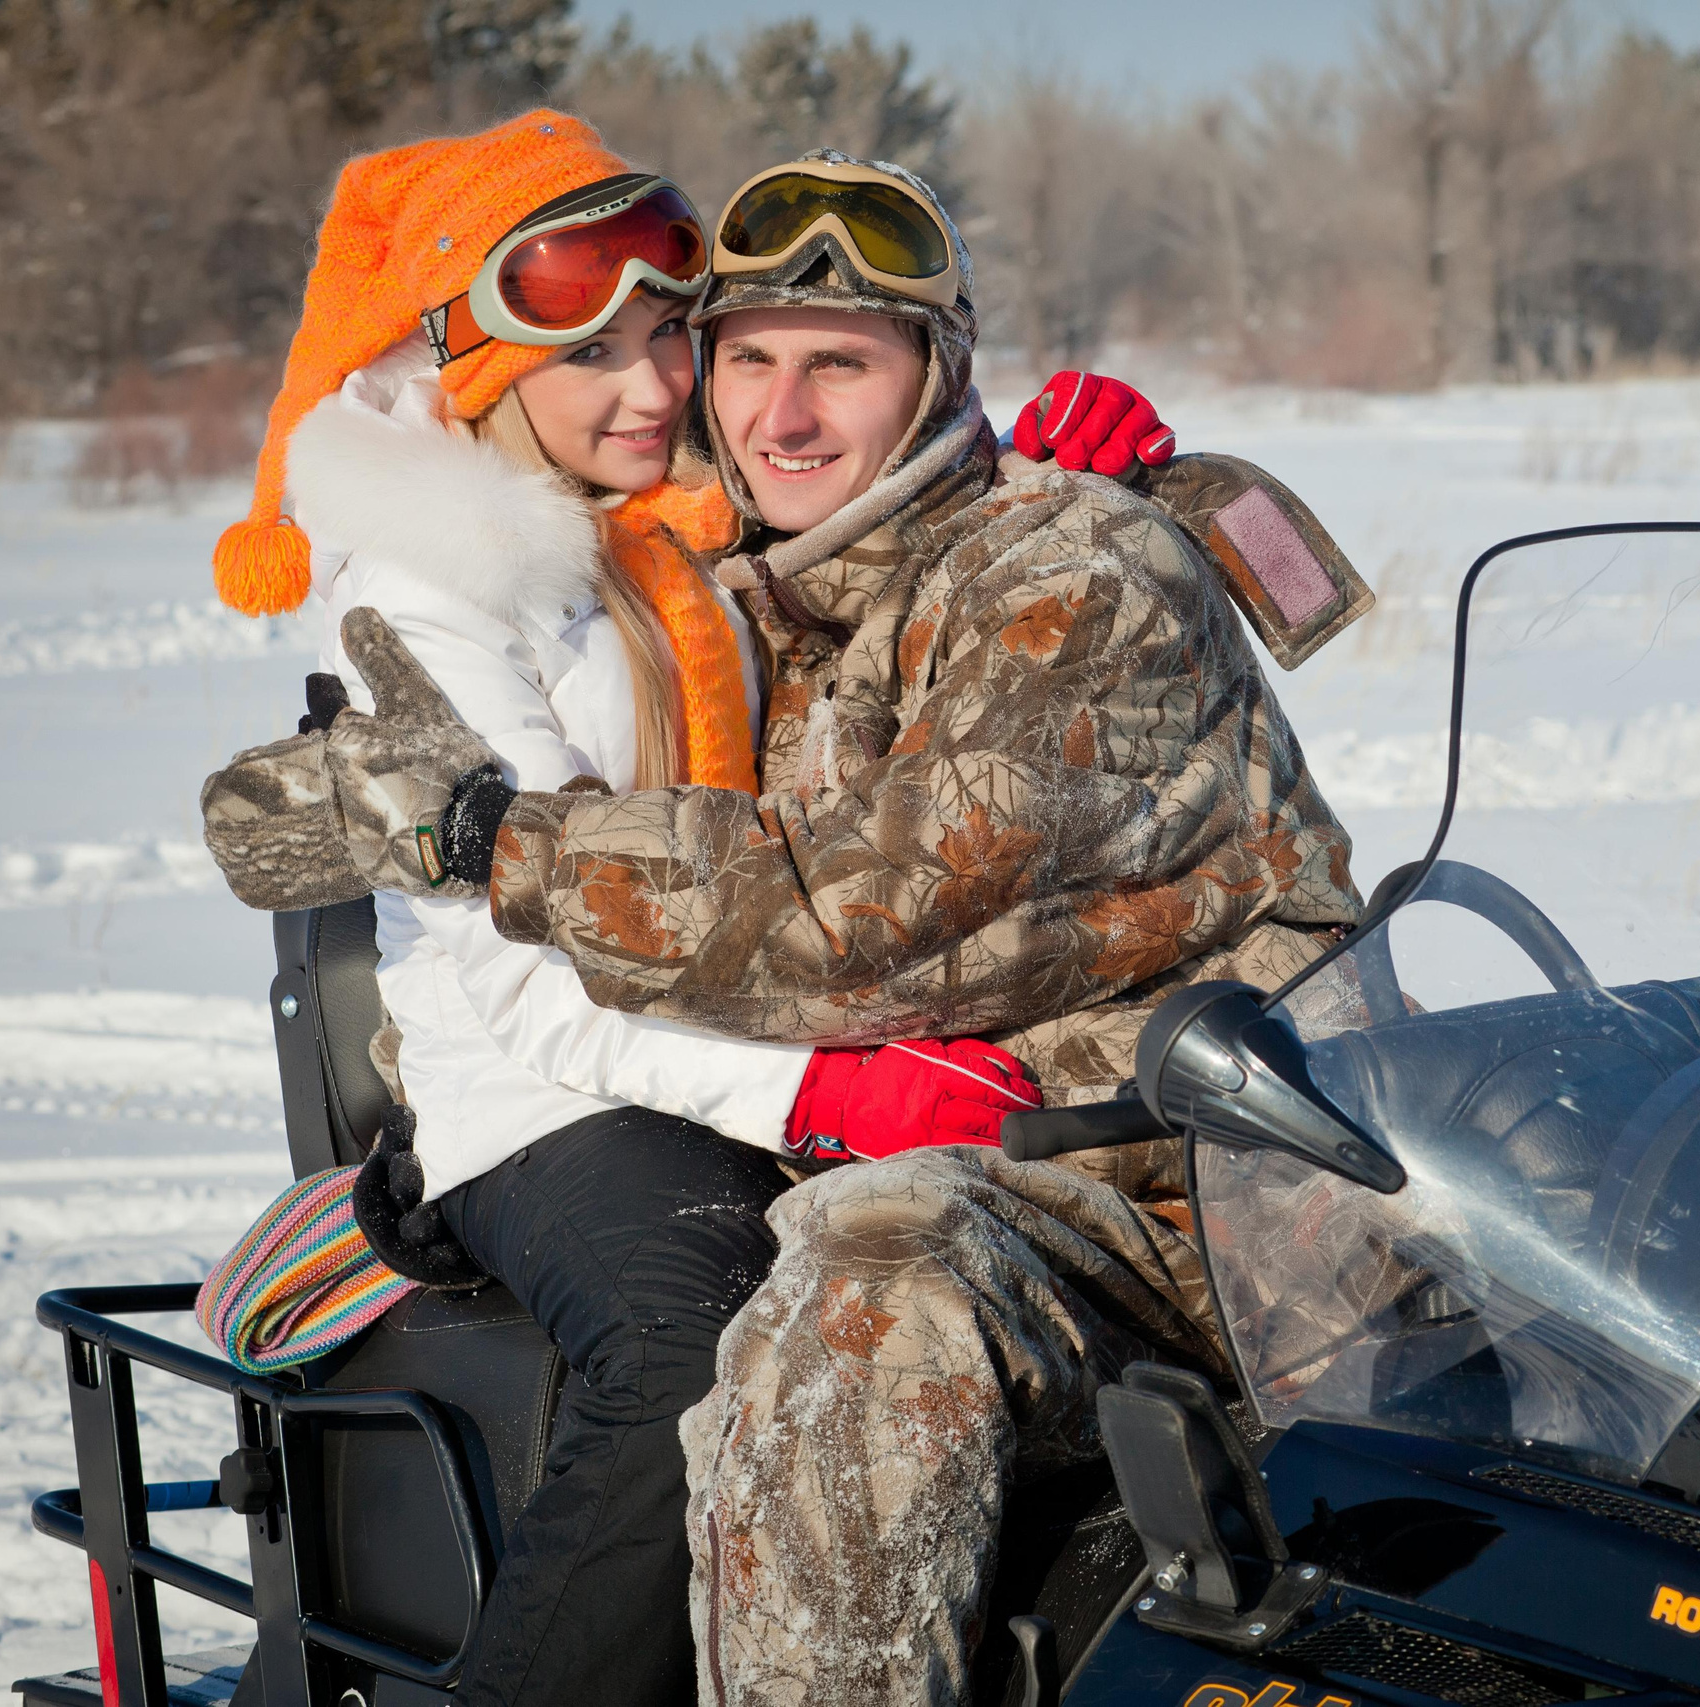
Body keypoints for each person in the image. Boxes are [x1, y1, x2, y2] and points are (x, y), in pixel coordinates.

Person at [203, 146, 1365, 1705]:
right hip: (614, 1088)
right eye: (746, 358)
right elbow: (547, 973)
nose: (776, 412)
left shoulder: (998, 568)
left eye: (840, 364)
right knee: (783, 1316)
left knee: (839, 1295)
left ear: (938, 370)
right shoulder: (674, 579)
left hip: (1203, 1180)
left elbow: (850, 902)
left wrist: (493, 840)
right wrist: (807, 1090)